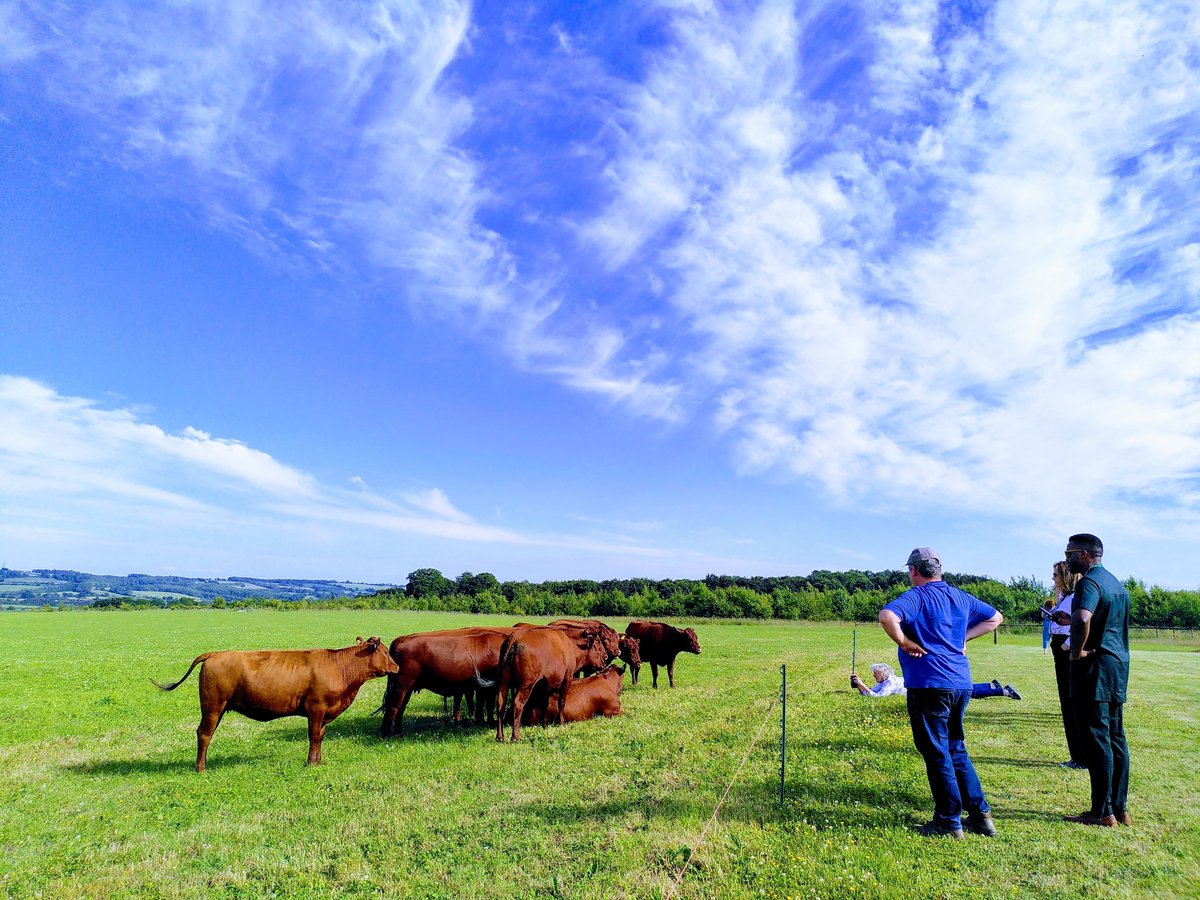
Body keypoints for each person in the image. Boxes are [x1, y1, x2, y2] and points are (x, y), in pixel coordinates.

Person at [879, 547, 1003, 838]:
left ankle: (948, 821)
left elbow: (887, 616)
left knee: (936, 751)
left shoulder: (917, 596)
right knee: (955, 747)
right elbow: (995, 617)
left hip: (929, 683)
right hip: (960, 683)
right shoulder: (960, 596)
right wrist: (963, 638)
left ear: (913, 570)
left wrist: (905, 642)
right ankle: (981, 816)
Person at [1063, 533, 1132, 827]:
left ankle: (1102, 812)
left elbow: (1082, 618)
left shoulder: (1088, 583)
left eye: (1069, 554)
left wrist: (1076, 651)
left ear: (1084, 554)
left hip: (1094, 668)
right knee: (1116, 736)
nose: (1066, 559)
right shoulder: (1116, 583)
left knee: (1096, 739)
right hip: (1117, 666)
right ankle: (1120, 808)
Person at [1047, 560, 1087, 769]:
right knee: (1067, 701)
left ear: (1066, 576)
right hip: (1060, 646)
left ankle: (1081, 756)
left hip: (1066, 649)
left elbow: (1083, 623)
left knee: (1071, 702)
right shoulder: (1065, 597)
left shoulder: (1075, 598)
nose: (1053, 578)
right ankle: (1078, 755)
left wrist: (1068, 645)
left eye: (1056, 574)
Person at [851, 666, 1020, 700]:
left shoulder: (889, 684)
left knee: (963, 692)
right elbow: (870, 692)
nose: (873, 676)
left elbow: (877, 696)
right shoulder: (886, 681)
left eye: (875, 674)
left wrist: (861, 683)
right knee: (962, 689)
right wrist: (859, 684)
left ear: (883, 674)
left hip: (927, 689)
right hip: (925, 684)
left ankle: (1003, 691)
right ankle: (992, 686)